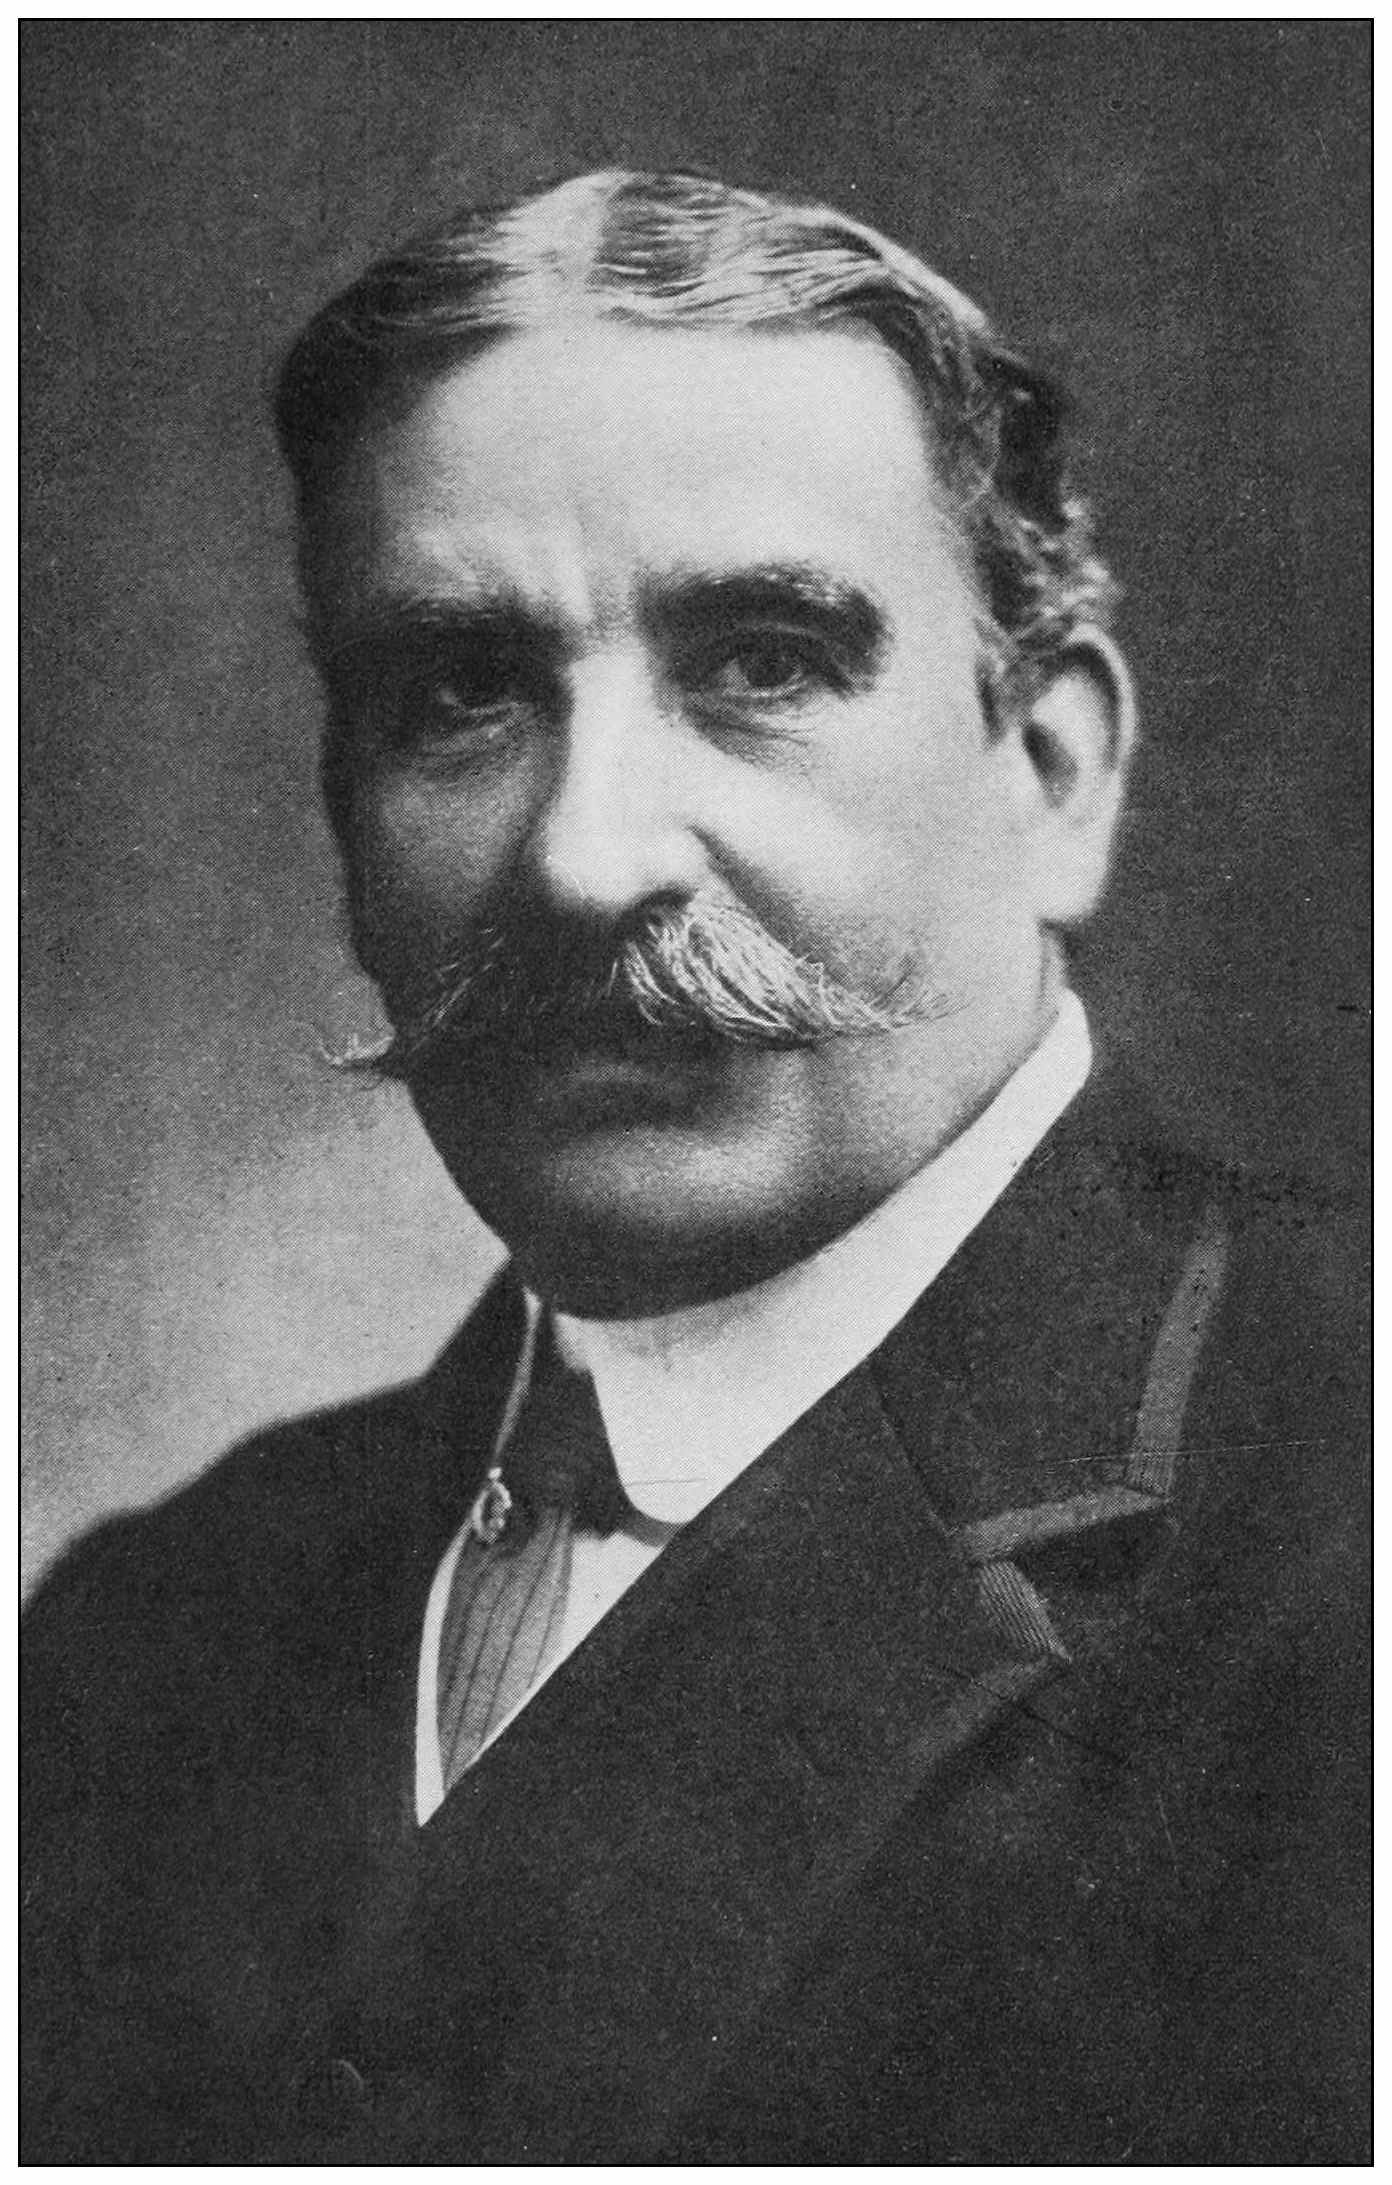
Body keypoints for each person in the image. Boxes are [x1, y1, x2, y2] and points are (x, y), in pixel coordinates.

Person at [21, 168, 1367, 2164]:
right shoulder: (147, 1636)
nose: (588, 857)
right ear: (342, 812)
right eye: (460, 692)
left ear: (1052, 770)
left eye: (761, 662)